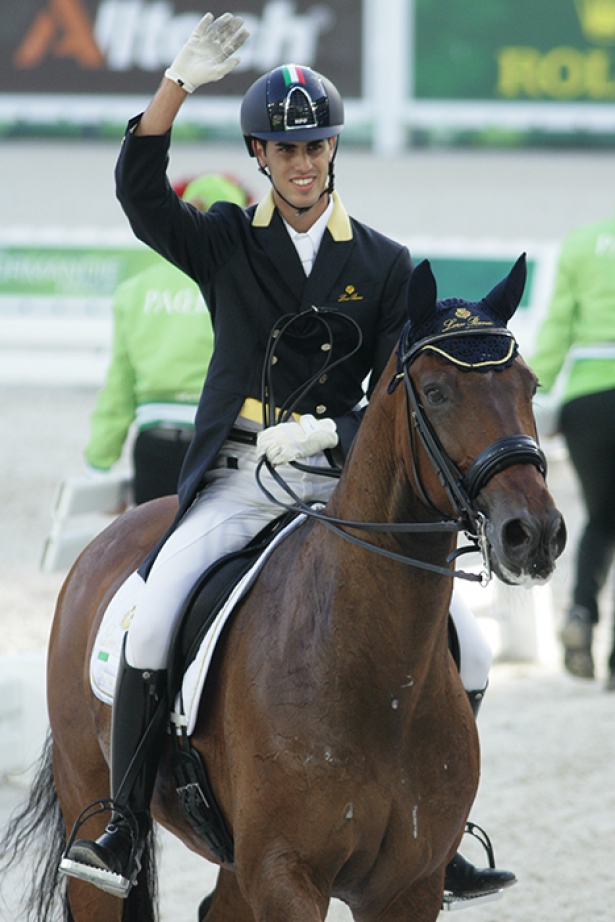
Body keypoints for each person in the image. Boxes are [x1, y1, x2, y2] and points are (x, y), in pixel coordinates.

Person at [60, 11, 514, 904]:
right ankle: (119, 822)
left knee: (472, 648)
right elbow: (140, 196)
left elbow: (398, 395)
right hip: (235, 479)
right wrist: (174, 89)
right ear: (259, 156)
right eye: (282, 149)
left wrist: (335, 438)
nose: (301, 164)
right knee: (148, 624)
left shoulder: (383, 263)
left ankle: (437, 833)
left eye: (315, 148)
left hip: (338, 482)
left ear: (333, 150)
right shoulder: (227, 241)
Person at [85, 173, 250, 504]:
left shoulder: (135, 291)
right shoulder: (240, 283)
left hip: (154, 445)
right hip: (220, 439)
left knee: (156, 551)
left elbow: (119, 387)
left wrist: (97, 463)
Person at [531, 209, 615, 688]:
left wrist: (532, 392)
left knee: (603, 520)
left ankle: (582, 609)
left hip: (587, 404)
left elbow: (557, 326)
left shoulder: (582, 244)